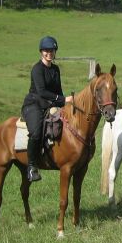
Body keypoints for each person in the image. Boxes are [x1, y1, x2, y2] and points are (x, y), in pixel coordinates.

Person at [21, 36, 73, 182]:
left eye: (52, 50)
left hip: (50, 105)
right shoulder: (37, 69)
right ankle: (31, 167)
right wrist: (63, 99)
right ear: (41, 52)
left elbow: (59, 91)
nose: (49, 53)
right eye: (46, 50)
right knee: (36, 132)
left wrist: (67, 105)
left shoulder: (55, 69)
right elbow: (42, 91)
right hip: (34, 105)